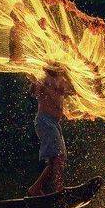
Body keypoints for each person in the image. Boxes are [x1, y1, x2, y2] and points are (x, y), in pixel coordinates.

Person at [27, 63, 73, 197]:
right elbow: (33, 90)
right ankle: (59, 190)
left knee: (56, 159)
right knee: (57, 157)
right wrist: (38, 84)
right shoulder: (44, 80)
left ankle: (35, 189)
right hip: (45, 121)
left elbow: (72, 91)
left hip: (54, 123)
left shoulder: (62, 80)